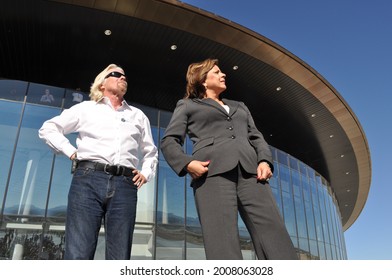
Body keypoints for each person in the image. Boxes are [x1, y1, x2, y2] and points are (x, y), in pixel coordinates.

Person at [160, 58, 297, 260]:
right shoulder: (188, 105)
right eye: (216, 72)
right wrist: (187, 163)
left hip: (252, 173)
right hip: (211, 174)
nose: (223, 74)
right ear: (203, 80)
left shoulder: (240, 106)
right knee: (221, 239)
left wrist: (265, 161)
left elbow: (256, 137)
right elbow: (169, 140)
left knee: (273, 231)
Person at [38, 64, 158, 260]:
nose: (123, 78)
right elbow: (48, 128)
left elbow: (150, 151)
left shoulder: (138, 115)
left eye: (125, 76)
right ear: (102, 83)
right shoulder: (85, 109)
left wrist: (146, 172)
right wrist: (71, 152)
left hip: (125, 186)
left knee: (120, 257)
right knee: (79, 254)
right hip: (87, 181)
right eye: (116, 74)